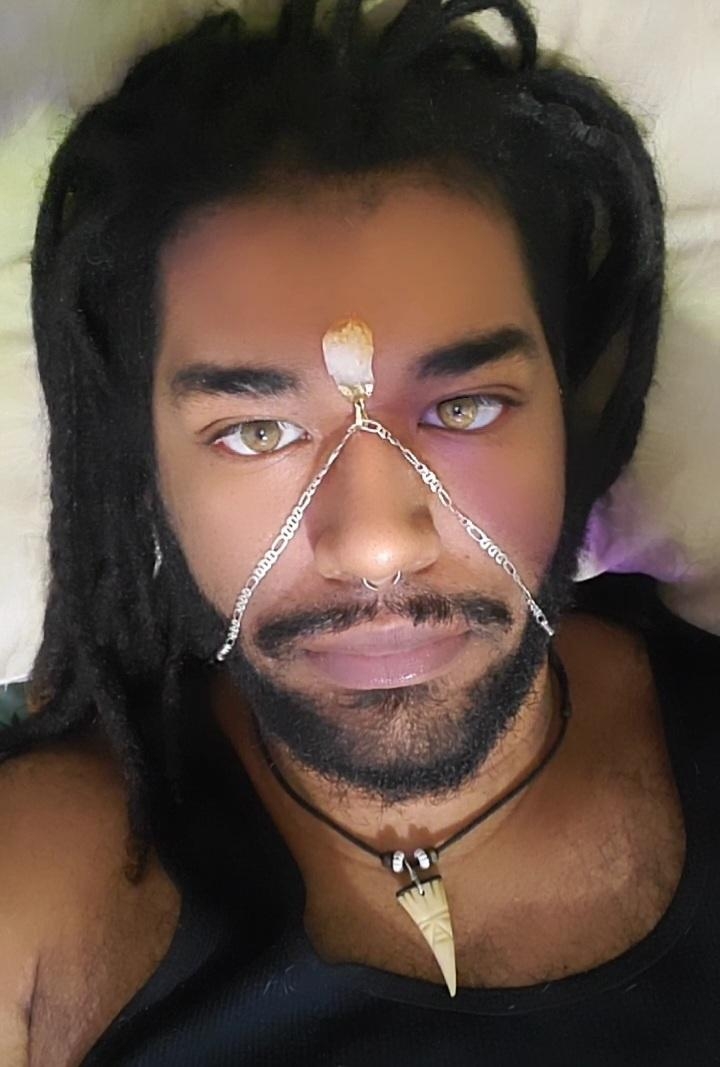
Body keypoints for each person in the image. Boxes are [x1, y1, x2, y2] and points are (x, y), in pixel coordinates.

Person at [1, 0, 718, 1063]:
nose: (377, 545)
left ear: (572, 413)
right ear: (145, 468)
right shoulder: (44, 883)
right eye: (255, 430)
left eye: (467, 407)